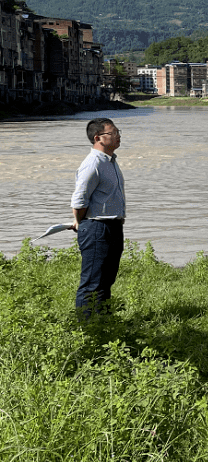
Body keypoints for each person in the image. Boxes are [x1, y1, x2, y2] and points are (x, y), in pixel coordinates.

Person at [70, 117, 127, 318]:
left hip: (112, 226)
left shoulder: (110, 161)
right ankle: (87, 328)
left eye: (118, 131)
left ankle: (102, 321)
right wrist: (80, 221)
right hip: (96, 227)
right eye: (113, 133)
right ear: (98, 138)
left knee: (106, 280)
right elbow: (79, 200)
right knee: (92, 282)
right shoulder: (92, 163)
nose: (118, 135)